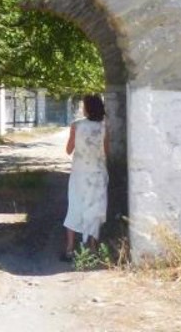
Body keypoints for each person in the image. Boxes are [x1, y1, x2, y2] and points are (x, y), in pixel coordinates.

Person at [62, 93, 108, 260]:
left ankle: (69, 249)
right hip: (97, 174)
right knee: (95, 208)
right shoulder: (104, 127)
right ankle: (93, 249)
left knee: (75, 206)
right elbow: (106, 152)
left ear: (87, 108)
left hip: (79, 174)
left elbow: (68, 150)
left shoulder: (76, 125)